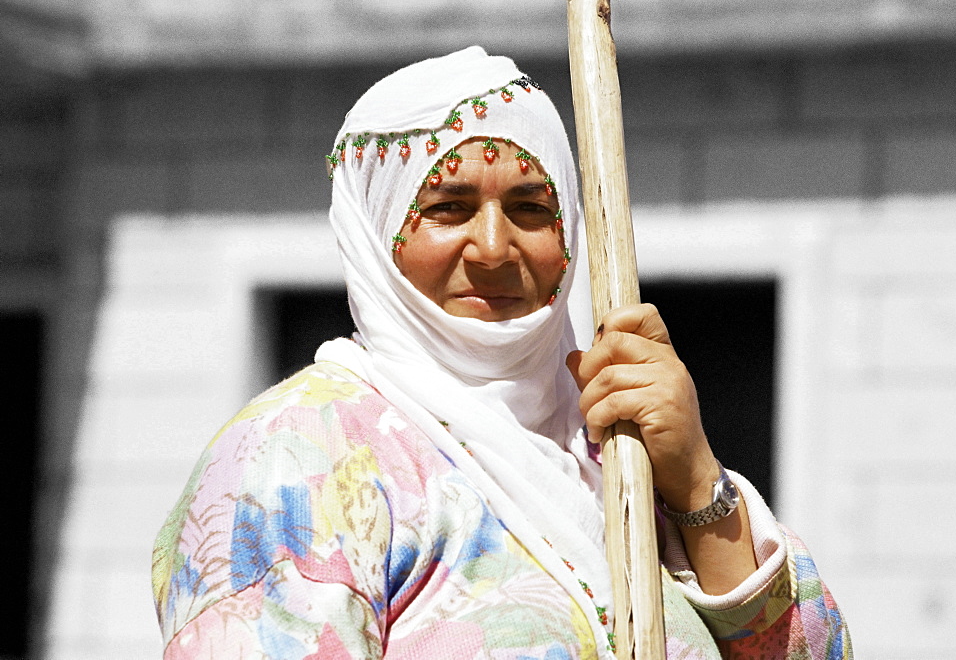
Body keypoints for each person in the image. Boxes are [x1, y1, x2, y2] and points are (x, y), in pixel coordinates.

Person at [152, 47, 851, 658]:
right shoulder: (297, 455)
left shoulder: (618, 450)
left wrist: (698, 481)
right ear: (373, 232)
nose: (493, 248)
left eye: (530, 208)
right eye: (448, 207)